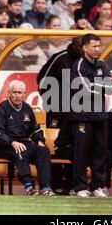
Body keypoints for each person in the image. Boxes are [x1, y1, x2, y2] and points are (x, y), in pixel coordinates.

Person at [0, 80, 56, 196]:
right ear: (8, 93)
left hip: (23, 143)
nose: (17, 95)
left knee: (43, 151)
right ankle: (29, 186)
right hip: (4, 146)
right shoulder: (1, 109)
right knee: (21, 149)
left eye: (20, 92)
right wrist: (12, 142)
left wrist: (40, 141)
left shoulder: (27, 108)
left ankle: (45, 187)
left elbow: (35, 130)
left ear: (24, 93)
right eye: (14, 92)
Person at [70, 33, 112, 197]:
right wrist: (100, 84)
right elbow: (84, 89)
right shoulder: (78, 65)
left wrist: (94, 83)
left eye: (98, 46)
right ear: (85, 47)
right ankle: (80, 187)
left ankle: (97, 186)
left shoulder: (102, 64)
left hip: (100, 116)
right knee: (81, 153)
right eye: (94, 46)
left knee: (100, 152)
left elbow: (111, 88)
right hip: (82, 116)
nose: (97, 49)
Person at [37, 37, 83, 194]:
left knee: (75, 144)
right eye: (80, 46)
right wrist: (52, 103)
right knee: (54, 144)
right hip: (57, 111)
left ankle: (71, 183)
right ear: (74, 45)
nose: (83, 50)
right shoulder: (60, 58)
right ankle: (56, 182)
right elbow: (42, 80)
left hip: (77, 112)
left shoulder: (87, 60)